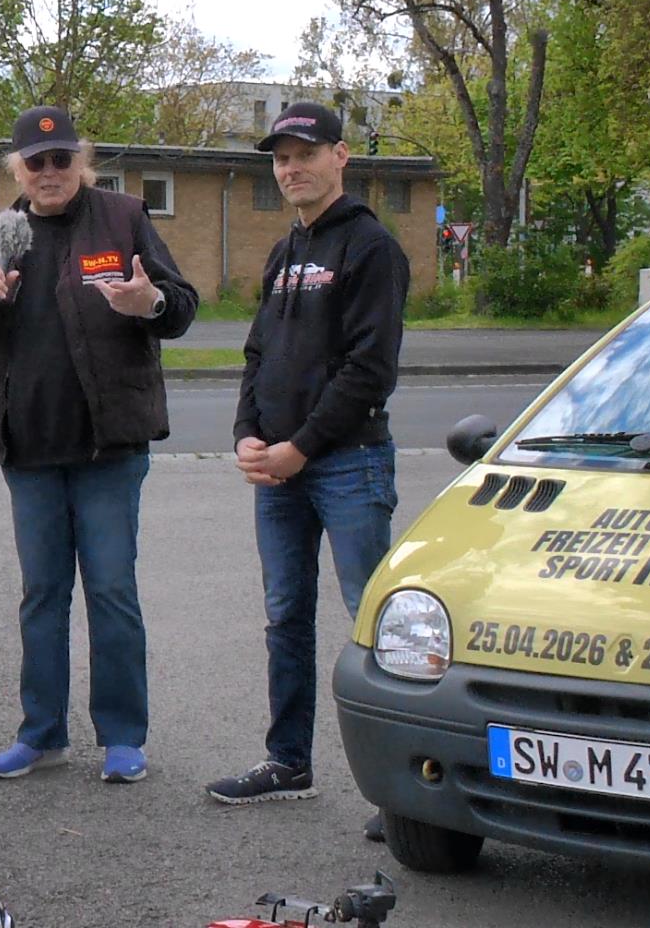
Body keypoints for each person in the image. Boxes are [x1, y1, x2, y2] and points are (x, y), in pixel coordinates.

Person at [0, 104, 199, 784]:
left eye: (62, 160)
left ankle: (122, 737)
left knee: (113, 591)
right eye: (37, 161)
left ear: (81, 163)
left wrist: (148, 303)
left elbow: (181, 306)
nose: (50, 172)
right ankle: (42, 734)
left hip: (108, 448)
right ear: (18, 170)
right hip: (28, 449)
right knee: (42, 595)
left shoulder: (123, 218)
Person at [204, 102, 409, 837]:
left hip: (347, 465)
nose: (291, 168)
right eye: (280, 158)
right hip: (279, 470)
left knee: (378, 625)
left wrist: (303, 447)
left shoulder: (371, 248)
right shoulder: (285, 252)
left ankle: (405, 791)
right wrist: (248, 436)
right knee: (286, 620)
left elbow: (368, 371)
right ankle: (288, 762)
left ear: (340, 156)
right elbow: (259, 355)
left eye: (304, 154)